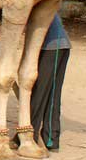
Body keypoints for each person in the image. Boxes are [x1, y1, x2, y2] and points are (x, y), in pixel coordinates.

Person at [14, 9, 71, 152]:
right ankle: (50, 138)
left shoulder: (34, 2)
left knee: (41, 93)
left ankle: (30, 135)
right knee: (48, 93)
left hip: (54, 48)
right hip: (54, 47)